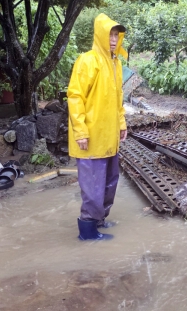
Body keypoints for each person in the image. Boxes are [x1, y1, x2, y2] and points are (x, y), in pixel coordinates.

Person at [67, 13, 128, 241]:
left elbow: (118, 99)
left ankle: (99, 220)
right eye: (109, 34)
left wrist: (121, 124)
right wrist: (80, 131)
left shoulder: (116, 63)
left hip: (109, 136)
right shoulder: (88, 61)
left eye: (116, 35)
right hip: (91, 137)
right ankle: (88, 232)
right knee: (93, 187)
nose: (113, 39)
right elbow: (75, 97)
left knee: (110, 182)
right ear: (100, 35)